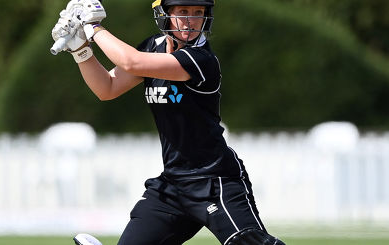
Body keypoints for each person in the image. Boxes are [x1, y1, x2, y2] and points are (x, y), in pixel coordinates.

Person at [51, 0, 286, 244]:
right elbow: (107, 88)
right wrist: (80, 49)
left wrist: (93, 28)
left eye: (198, 13)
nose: (190, 20)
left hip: (214, 182)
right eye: (182, 12)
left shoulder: (201, 59)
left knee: (248, 242)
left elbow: (131, 62)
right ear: (164, 14)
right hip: (172, 186)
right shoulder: (154, 46)